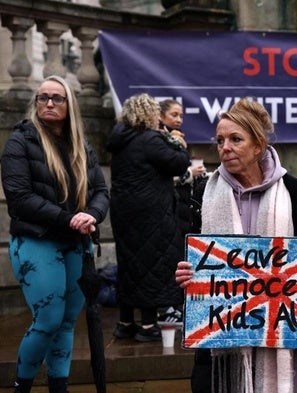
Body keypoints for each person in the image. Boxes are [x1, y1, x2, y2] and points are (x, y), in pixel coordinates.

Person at [175, 98, 297, 393]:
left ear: (258, 146)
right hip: (225, 340)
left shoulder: (296, 194)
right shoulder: (203, 195)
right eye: (220, 140)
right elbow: (196, 259)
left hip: (283, 341)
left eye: (235, 139)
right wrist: (186, 274)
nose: (225, 147)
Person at [1, 75, 110, 393]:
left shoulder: (81, 144)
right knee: (48, 319)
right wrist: (69, 219)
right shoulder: (21, 140)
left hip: (75, 243)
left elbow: (101, 190)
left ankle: (58, 388)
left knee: (66, 321)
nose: (48, 103)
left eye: (56, 98)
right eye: (42, 97)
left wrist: (91, 215)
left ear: (69, 104)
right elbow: (19, 197)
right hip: (36, 241)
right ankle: (22, 387)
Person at [107, 93, 191, 342]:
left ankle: (125, 323)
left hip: (123, 213)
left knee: (129, 265)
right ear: (147, 114)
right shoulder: (150, 138)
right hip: (150, 214)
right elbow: (178, 164)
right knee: (150, 265)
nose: (158, 116)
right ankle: (147, 325)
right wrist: (177, 142)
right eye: (155, 111)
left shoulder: (120, 139)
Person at [157, 99, 206, 325]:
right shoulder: (161, 140)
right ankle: (167, 308)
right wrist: (189, 172)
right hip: (169, 207)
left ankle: (177, 304)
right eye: (174, 114)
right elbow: (163, 176)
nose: (178, 119)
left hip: (183, 206)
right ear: (161, 116)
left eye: (181, 115)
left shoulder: (177, 138)